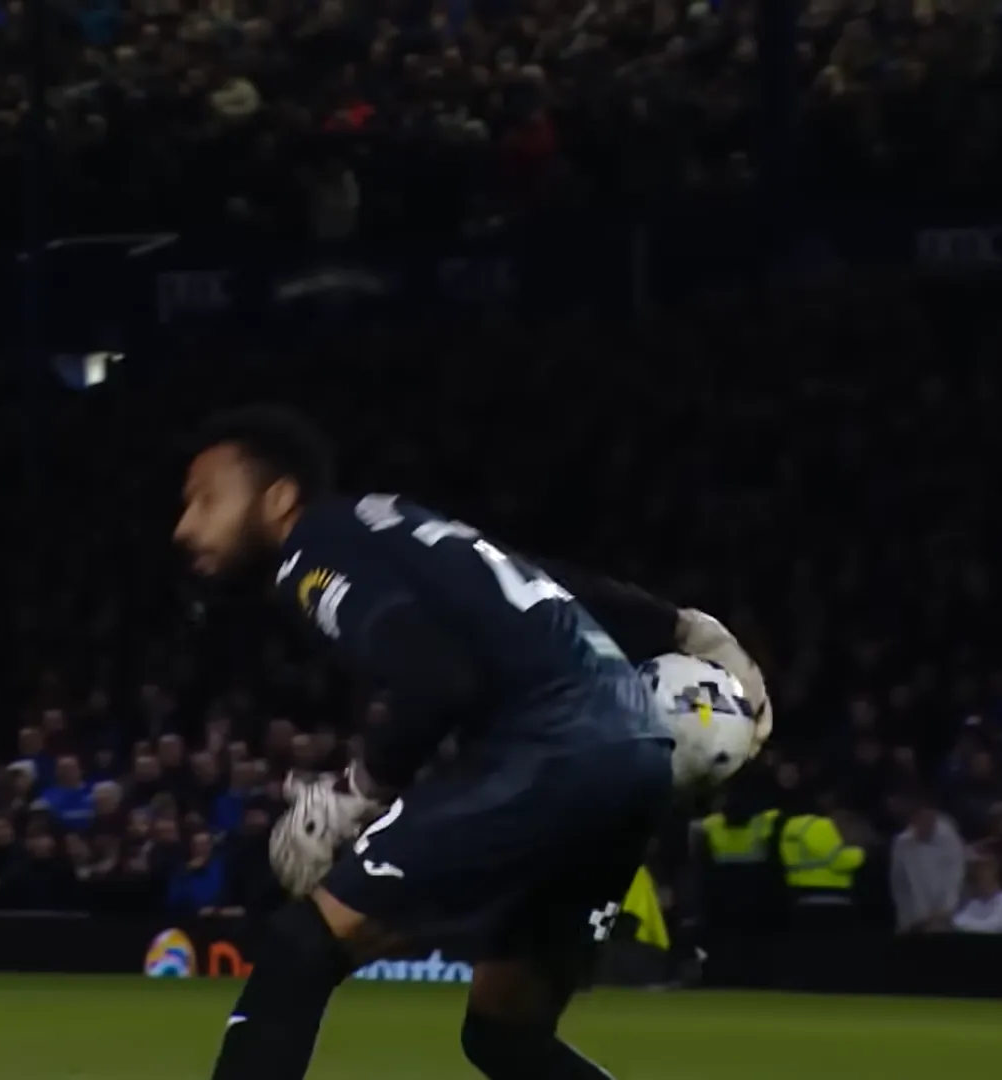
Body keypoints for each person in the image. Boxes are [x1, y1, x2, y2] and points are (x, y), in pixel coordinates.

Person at [173, 405, 701, 1080]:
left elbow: (438, 681)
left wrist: (359, 792)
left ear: (278, 498)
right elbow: (543, 578)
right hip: (635, 751)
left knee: (299, 945)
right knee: (505, 1035)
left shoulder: (316, 547)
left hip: (549, 746)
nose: (185, 525)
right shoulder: (401, 525)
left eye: (207, 499)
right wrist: (678, 626)